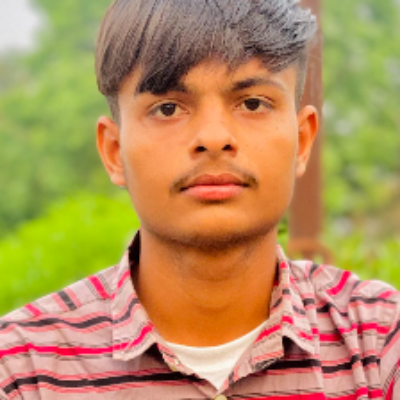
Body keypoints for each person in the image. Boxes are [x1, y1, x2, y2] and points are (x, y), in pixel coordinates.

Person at [1, 0, 399, 398]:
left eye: (253, 103)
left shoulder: (381, 343)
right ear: (114, 151)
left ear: (303, 141)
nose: (213, 137)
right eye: (167, 108)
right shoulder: (23, 369)